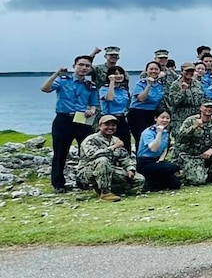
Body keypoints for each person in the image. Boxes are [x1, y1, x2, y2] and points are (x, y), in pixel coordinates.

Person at [40, 56, 99, 193]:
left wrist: (92, 110)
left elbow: (94, 104)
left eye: (87, 66)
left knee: (86, 152)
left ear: (90, 69)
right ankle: (58, 184)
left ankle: (83, 180)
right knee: (60, 152)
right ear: (74, 66)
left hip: (82, 120)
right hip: (63, 119)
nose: (84, 68)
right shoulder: (62, 80)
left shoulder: (90, 86)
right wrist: (56, 73)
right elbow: (45, 88)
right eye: (81, 65)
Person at [77, 115, 145, 201]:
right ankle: (105, 192)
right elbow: (93, 155)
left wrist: (130, 169)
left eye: (113, 125)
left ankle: (113, 190)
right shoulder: (91, 139)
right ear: (100, 126)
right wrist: (112, 147)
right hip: (88, 170)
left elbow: (124, 158)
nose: (110, 127)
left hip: (109, 169)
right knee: (102, 160)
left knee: (139, 179)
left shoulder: (116, 140)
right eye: (107, 125)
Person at [173, 100, 212, 185]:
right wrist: (193, 127)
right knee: (198, 181)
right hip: (192, 155)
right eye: (206, 106)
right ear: (200, 108)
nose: (209, 109)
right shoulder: (190, 120)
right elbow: (180, 139)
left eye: (211, 107)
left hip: (209, 154)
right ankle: (186, 173)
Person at [135, 110, 182, 191]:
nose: (165, 120)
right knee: (173, 167)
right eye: (162, 117)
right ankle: (150, 182)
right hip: (145, 161)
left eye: (167, 118)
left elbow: (165, 148)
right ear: (155, 118)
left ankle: (154, 182)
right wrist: (159, 133)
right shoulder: (148, 132)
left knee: (176, 184)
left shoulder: (166, 132)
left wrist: (161, 160)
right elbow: (154, 148)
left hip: (157, 160)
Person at [98, 66, 133, 151]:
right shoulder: (104, 88)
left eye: (121, 73)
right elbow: (110, 98)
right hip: (109, 118)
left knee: (125, 143)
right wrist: (112, 83)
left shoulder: (124, 90)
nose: (119, 76)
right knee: (110, 143)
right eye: (115, 73)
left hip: (122, 118)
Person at [129, 61, 166, 139]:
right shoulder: (140, 83)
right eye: (151, 69)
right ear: (146, 71)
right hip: (138, 112)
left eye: (156, 69)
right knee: (141, 138)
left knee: (153, 137)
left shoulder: (160, 85)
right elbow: (141, 98)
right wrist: (149, 85)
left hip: (153, 113)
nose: (153, 71)